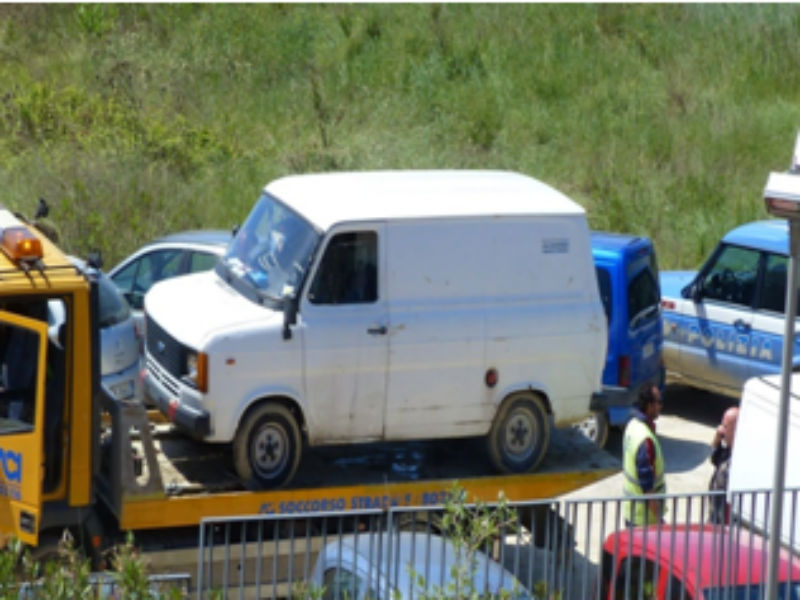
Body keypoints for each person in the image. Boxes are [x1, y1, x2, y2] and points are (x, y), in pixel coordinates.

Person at [622, 382, 666, 526]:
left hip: (632, 513)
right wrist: (658, 519)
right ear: (649, 405)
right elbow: (647, 486)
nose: (661, 406)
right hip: (645, 520)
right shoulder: (645, 439)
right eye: (659, 402)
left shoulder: (632, 425)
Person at [709, 406, 739, 524]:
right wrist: (717, 439)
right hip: (715, 514)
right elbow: (714, 459)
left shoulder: (738, 457)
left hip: (724, 520)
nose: (721, 429)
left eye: (725, 426)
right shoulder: (727, 450)